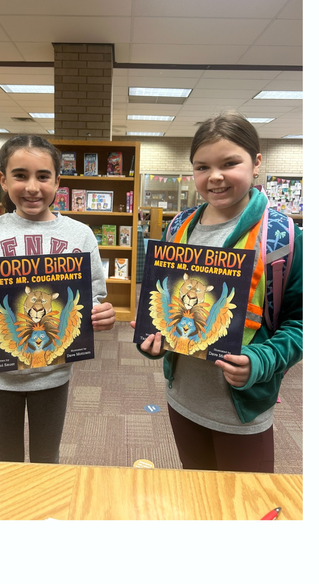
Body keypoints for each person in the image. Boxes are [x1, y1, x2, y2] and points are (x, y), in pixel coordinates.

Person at [132, 111, 302, 473]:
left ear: (256, 163)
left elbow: (302, 322)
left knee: (244, 510)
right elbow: (164, 303)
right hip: (183, 397)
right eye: (202, 167)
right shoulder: (180, 225)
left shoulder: (283, 239)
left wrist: (261, 362)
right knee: (198, 497)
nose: (216, 177)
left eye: (230, 163)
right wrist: (151, 338)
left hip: (242, 409)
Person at [0, 135, 116, 463]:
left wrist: (101, 313)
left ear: (58, 181)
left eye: (43, 176)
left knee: (46, 458)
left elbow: (94, 297)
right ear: (2, 179)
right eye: (20, 175)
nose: (32, 187)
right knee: (5, 460)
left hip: (52, 372)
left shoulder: (80, 235)